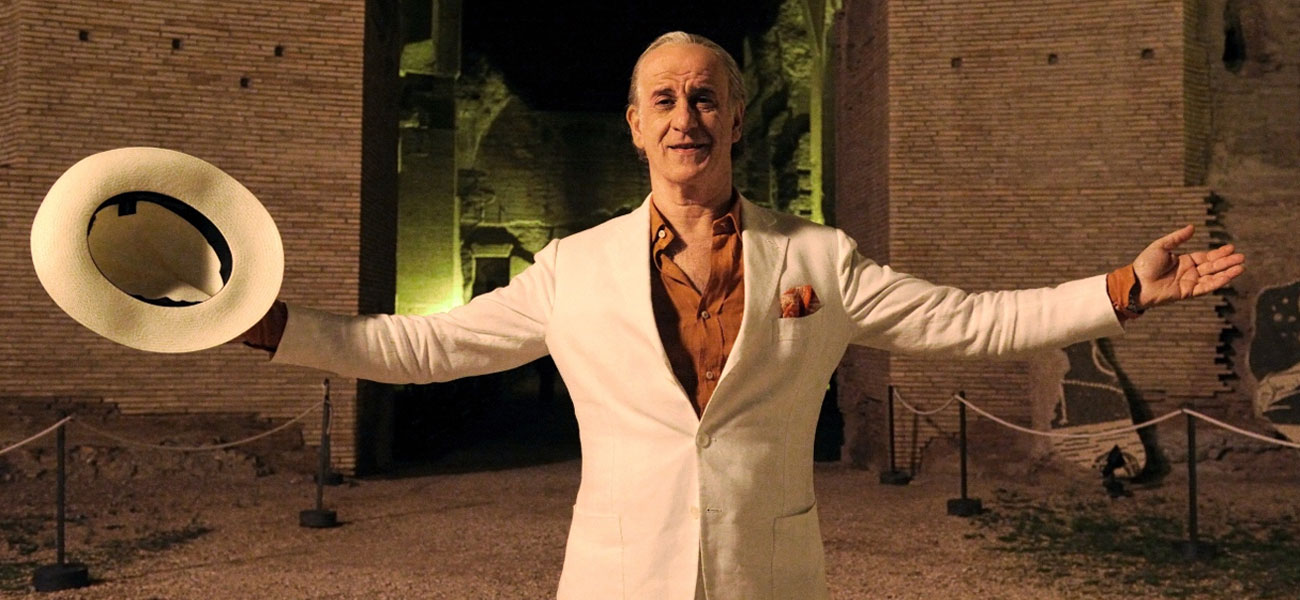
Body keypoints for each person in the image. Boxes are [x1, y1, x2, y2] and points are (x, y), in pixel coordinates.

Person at [239, 31, 1245, 600]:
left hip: (771, 575)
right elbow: (425, 346)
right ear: (635, 126)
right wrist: (279, 328)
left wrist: (1120, 289)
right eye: (664, 100)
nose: (687, 117)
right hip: (617, 581)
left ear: (734, 115)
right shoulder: (572, 269)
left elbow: (969, 321)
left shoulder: (819, 259)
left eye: (705, 98)